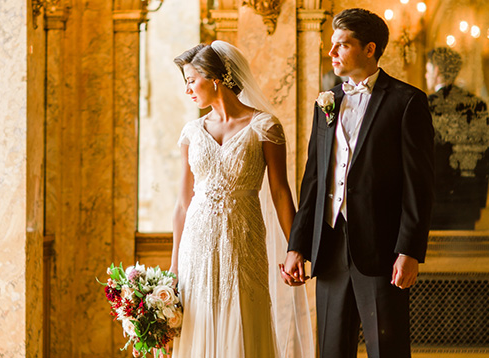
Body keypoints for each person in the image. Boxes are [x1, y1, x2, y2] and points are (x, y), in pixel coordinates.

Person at [282, 8, 434, 358]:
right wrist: (297, 245)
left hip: (383, 250)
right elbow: (314, 181)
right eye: (332, 45)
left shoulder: (407, 101)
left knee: (388, 350)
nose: (332, 52)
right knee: (332, 349)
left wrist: (409, 250)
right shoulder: (327, 103)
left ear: (369, 49)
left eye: (342, 45)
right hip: (330, 244)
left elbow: (420, 185)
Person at [170, 41, 313, 358]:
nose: (188, 90)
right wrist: (173, 268)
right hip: (196, 246)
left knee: (243, 324)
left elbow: (280, 191)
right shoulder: (191, 133)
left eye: (191, 80)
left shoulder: (264, 126)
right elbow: (182, 204)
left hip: (243, 243)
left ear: (214, 78)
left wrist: (295, 250)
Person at [425, 47, 489, 230]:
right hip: (468, 195)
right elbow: (484, 152)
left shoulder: (427, 105)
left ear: (436, 71)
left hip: (436, 195)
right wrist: (480, 199)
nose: (426, 74)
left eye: (427, 70)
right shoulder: (478, 105)